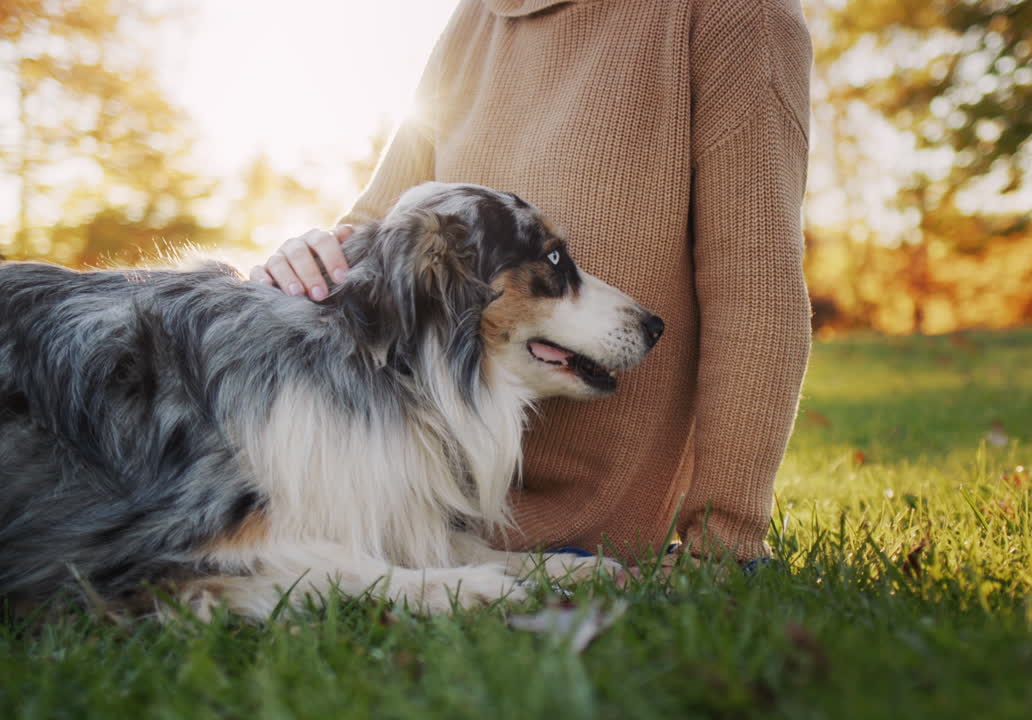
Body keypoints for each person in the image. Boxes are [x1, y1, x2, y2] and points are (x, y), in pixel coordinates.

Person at [249, 0, 812, 568]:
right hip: (389, 501)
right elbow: (377, 226)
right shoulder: (474, 19)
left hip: (578, 535)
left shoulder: (737, 14)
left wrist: (725, 542)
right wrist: (311, 254)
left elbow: (755, 291)